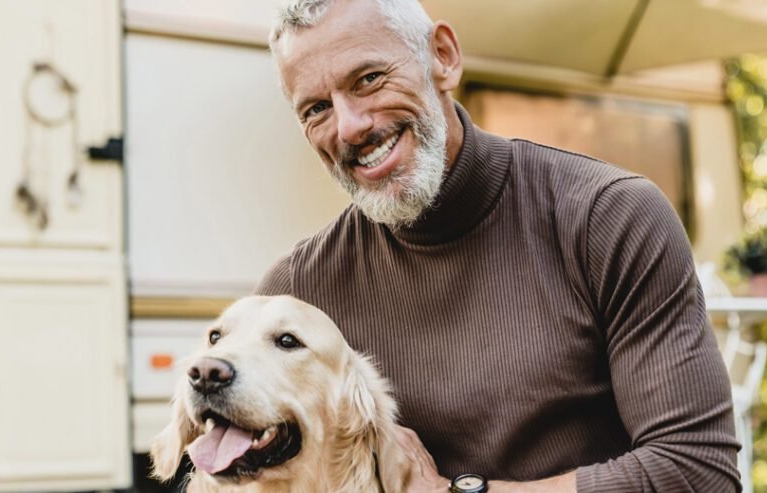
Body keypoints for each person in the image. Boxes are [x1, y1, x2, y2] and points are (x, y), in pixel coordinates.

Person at [255, 0, 741, 491]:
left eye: (369, 79)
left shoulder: (609, 217)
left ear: (442, 56)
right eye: (316, 109)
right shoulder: (296, 291)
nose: (350, 127)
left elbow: (697, 472)